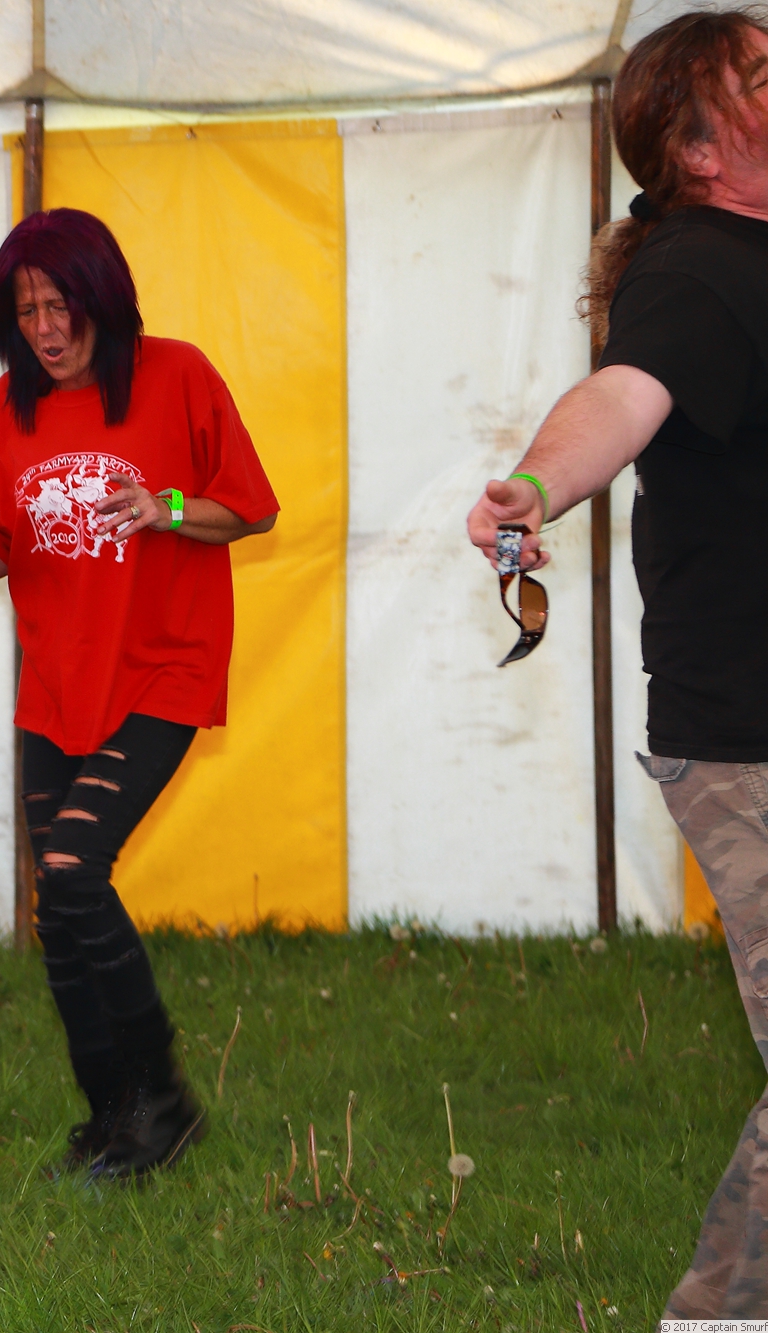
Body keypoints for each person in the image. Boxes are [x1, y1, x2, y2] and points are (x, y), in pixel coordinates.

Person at [465, 10, 768, 1316]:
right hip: (748, 736)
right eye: (760, 75)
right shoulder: (696, 271)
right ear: (699, 151)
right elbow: (620, 395)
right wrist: (534, 484)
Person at [0, 208, 279, 1179]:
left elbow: (250, 507)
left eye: (59, 305)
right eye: (25, 312)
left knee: (71, 869)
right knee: (56, 910)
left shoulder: (177, 375)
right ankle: (112, 1116)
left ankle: (165, 1099)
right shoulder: (9, 406)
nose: (45, 329)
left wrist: (167, 505)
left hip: (161, 669)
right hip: (57, 683)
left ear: (101, 297)